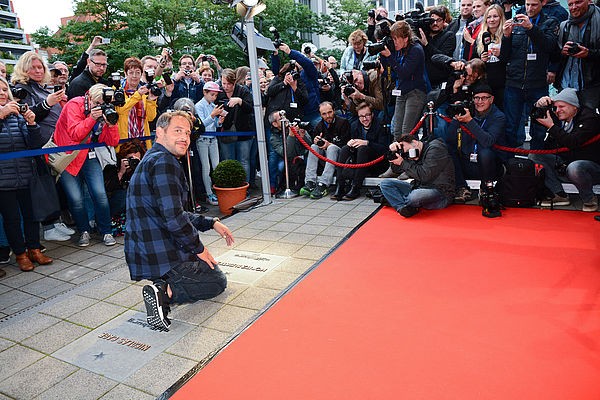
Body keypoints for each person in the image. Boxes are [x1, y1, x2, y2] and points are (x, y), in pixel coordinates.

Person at [125, 111, 233, 331]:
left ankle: (163, 285)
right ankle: (166, 292)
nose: (185, 137)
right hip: (163, 252)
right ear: (159, 133)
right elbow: (174, 218)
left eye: (187, 133)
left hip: (148, 251)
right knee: (217, 281)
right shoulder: (165, 162)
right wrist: (199, 248)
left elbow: (170, 211)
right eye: (177, 131)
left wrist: (210, 222)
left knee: (206, 269)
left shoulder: (152, 158)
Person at [11, 51, 72, 242]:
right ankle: (48, 226)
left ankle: (54, 222)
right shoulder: (21, 89)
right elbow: (28, 115)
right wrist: (47, 103)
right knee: (42, 186)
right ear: (24, 69)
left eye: (41, 67)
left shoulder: (42, 87)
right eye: (34, 67)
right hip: (38, 144)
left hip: (53, 144)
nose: (38, 71)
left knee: (50, 184)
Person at [54, 84, 120, 247]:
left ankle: (106, 232)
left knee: (100, 194)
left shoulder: (105, 109)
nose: (100, 107)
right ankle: (84, 231)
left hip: (90, 156)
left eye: (102, 104)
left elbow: (112, 142)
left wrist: (111, 124)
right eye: (97, 103)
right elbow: (75, 134)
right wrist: (91, 117)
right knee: (75, 199)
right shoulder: (74, 105)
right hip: (68, 158)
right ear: (89, 98)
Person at [0, 77, 53, 271]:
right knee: (12, 219)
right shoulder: (6, 113)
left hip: (26, 174)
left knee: (32, 215)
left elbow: (35, 144)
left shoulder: (17, 114)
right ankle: (20, 254)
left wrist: (31, 123)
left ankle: (34, 249)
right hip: (3, 180)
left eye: (5, 89)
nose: (3, 93)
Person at [500, 0, 559, 150]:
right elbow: (505, 57)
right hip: (514, 83)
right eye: (527, 4)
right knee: (511, 126)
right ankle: (510, 162)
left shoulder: (550, 22)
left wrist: (531, 28)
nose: (529, 8)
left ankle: (536, 161)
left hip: (537, 83)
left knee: (539, 128)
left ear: (542, 4)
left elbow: (549, 47)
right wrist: (506, 37)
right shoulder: (516, 20)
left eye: (534, 4)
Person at [529, 88, 600, 211]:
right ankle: (559, 194)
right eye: (556, 107)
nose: (558, 110)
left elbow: (573, 142)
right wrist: (538, 105)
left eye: (562, 106)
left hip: (590, 167)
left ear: (574, 107)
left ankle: (589, 199)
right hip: (565, 162)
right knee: (535, 156)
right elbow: (536, 118)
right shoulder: (560, 116)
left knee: (575, 167)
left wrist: (551, 127)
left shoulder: (590, 119)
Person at [445, 84, 509, 203]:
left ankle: (485, 190)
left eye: (484, 98)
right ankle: (461, 188)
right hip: (468, 162)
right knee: (447, 149)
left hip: (490, 166)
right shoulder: (468, 112)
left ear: (491, 99)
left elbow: (487, 141)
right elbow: (449, 139)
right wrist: (455, 118)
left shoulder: (498, 117)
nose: (480, 102)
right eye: (477, 98)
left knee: (485, 152)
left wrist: (469, 121)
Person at [380, 134, 455, 218]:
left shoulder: (435, 149)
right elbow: (396, 170)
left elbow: (425, 175)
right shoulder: (411, 152)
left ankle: (397, 201)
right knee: (385, 184)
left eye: (408, 151)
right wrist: (394, 152)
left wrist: (403, 163)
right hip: (418, 186)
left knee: (415, 196)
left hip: (439, 191)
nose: (407, 154)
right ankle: (403, 208)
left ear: (415, 142)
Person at [380, 20, 427, 142]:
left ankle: (408, 160)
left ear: (405, 38)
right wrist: (384, 59)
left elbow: (404, 72)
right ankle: (397, 159)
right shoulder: (400, 50)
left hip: (415, 92)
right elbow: (394, 73)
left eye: (396, 39)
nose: (394, 42)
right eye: (393, 39)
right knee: (396, 131)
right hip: (401, 91)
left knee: (407, 131)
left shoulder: (416, 49)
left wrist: (389, 56)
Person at [332, 103, 389, 201]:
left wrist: (367, 143)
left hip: (376, 162)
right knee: (345, 148)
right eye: (361, 116)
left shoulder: (380, 125)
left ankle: (356, 187)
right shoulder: (354, 125)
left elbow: (384, 149)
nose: (364, 119)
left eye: (367, 115)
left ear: (372, 115)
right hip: (358, 162)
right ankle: (340, 185)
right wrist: (351, 143)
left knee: (363, 148)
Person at [299, 102, 351, 199]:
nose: (328, 116)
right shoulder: (319, 126)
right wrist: (316, 140)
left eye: (330, 112)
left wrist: (329, 144)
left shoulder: (343, 122)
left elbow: (347, 144)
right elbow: (316, 143)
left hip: (341, 156)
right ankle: (310, 182)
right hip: (325, 158)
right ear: (320, 115)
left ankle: (323, 184)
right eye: (324, 114)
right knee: (314, 146)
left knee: (331, 148)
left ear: (334, 111)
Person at [555, 0, 600, 110]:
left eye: (578, 2)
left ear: (589, 1)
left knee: (588, 122)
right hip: (566, 84)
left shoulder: (597, 23)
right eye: (570, 4)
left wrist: (589, 53)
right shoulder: (564, 26)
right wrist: (562, 51)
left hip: (591, 85)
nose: (574, 7)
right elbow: (553, 55)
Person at [216, 68, 255, 182]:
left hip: (244, 131)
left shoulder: (243, 91)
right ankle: (231, 185)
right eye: (224, 83)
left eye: (229, 84)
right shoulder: (219, 92)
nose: (226, 86)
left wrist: (240, 101)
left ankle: (244, 186)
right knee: (228, 160)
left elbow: (250, 108)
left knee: (244, 160)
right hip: (226, 131)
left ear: (234, 82)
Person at [115, 57, 159, 147]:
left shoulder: (145, 90)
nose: (134, 76)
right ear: (125, 74)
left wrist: (151, 100)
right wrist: (137, 95)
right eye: (131, 73)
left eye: (138, 73)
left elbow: (150, 118)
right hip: (124, 141)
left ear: (141, 74)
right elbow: (121, 110)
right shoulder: (117, 90)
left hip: (142, 139)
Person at [195, 81, 226, 206]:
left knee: (216, 166)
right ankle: (208, 193)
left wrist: (220, 121)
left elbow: (215, 125)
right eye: (212, 94)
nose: (214, 97)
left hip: (213, 138)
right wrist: (213, 116)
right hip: (202, 139)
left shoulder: (212, 105)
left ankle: (217, 190)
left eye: (215, 95)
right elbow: (201, 125)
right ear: (205, 92)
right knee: (206, 167)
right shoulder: (199, 106)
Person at [268, 110, 312, 194]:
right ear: (275, 124)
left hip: (303, 155)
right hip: (288, 159)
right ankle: (277, 186)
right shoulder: (274, 138)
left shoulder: (294, 126)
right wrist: (291, 136)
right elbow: (286, 154)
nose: (285, 120)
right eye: (281, 118)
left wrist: (303, 136)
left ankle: (310, 185)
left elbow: (310, 145)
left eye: (285, 117)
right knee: (280, 166)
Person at [474, 4, 507, 109]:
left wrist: (501, 54)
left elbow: (512, 58)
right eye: (489, 17)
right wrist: (481, 60)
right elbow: (473, 60)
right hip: (485, 82)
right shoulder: (480, 36)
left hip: (504, 82)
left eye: (495, 16)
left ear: (501, 18)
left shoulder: (508, 35)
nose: (492, 20)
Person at [102, 139, 145, 217]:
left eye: (137, 159)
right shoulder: (113, 167)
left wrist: (140, 169)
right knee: (125, 194)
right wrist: (121, 172)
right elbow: (107, 188)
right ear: (124, 157)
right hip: (117, 204)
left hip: (137, 208)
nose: (134, 162)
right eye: (131, 159)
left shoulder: (143, 168)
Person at [418, 7, 457, 89]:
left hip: (440, 82)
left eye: (438, 20)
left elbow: (444, 57)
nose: (435, 23)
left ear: (444, 21)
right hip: (422, 82)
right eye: (432, 20)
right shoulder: (423, 35)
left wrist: (426, 44)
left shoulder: (449, 35)